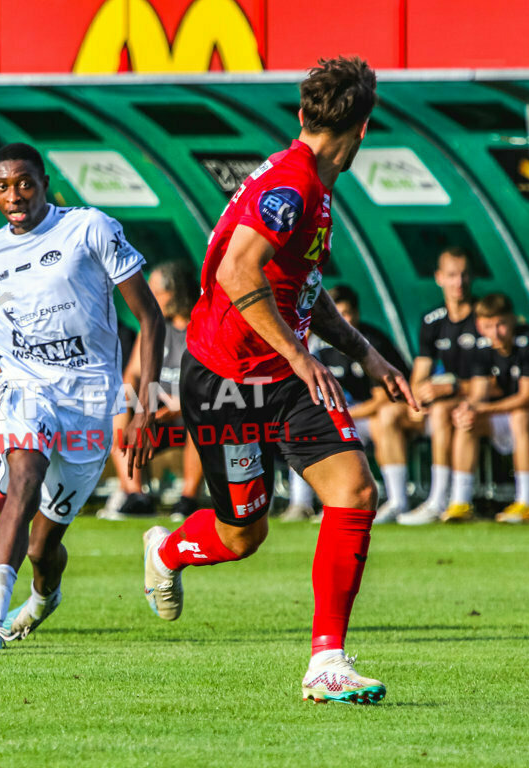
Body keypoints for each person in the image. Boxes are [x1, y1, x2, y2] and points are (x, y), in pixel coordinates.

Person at [141, 57, 416, 705]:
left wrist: (366, 354)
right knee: (244, 535)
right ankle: (168, 550)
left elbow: (301, 289)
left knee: (353, 490)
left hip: (285, 376)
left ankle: (327, 663)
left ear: (303, 116)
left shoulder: (312, 185)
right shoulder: (292, 186)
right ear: (364, 129)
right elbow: (240, 274)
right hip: (225, 380)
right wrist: (301, 357)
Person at [0, 142, 164, 650]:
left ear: (44, 184)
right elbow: (20, 313)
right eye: (3, 186)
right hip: (27, 381)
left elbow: (151, 319)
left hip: (91, 399)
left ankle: (45, 597)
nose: (15, 196)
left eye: (25, 183)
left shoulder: (89, 228)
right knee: (23, 477)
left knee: (42, 547)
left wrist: (143, 406)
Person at [279, 284, 409, 521]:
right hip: (337, 414)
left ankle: (397, 502)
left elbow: (382, 400)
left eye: (347, 314)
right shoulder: (316, 343)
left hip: (366, 415)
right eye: (338, 315)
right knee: (301, 427)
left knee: (383, 422)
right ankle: (300, 504)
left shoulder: (370, 343)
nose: (344, 321)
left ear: (357, 313)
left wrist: (341, 413)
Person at [375, 247, 479, 524]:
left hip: (473, 404)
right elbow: (420, 374)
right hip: (441, 404)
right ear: (439, 278)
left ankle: (440, 499)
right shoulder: (432, 320)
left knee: (445, 411)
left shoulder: (483, 319)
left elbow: (492, 383)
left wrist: (449, 389)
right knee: (388, 414)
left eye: (465, 275)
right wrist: (417, 396)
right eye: (452, 275)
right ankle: (397, 501)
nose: (459, 282)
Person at [98, 260, 204, 521]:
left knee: (199, 415)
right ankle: (136, 497)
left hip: (190, 414)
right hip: (155, 417)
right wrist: (138, 410)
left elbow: (213, 385)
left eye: (158, 292)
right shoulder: (154, 328)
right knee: (119, 411)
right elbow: (132, 374)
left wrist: (179, 405)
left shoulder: (203, 328)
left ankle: (188, 501)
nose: (152, 298)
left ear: (177, 292)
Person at [448, 293, 529, 523]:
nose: (496, 332)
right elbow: (479, 392)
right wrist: (468, 408)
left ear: (512, 320)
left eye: (501, 324)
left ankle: (525, 503)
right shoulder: (482, 346)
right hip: (508, 412)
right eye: (489, 326)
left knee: (523, 417)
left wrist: (482, 409)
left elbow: (526, 398)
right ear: (480, 325)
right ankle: (460, 502)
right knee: (468, 422)